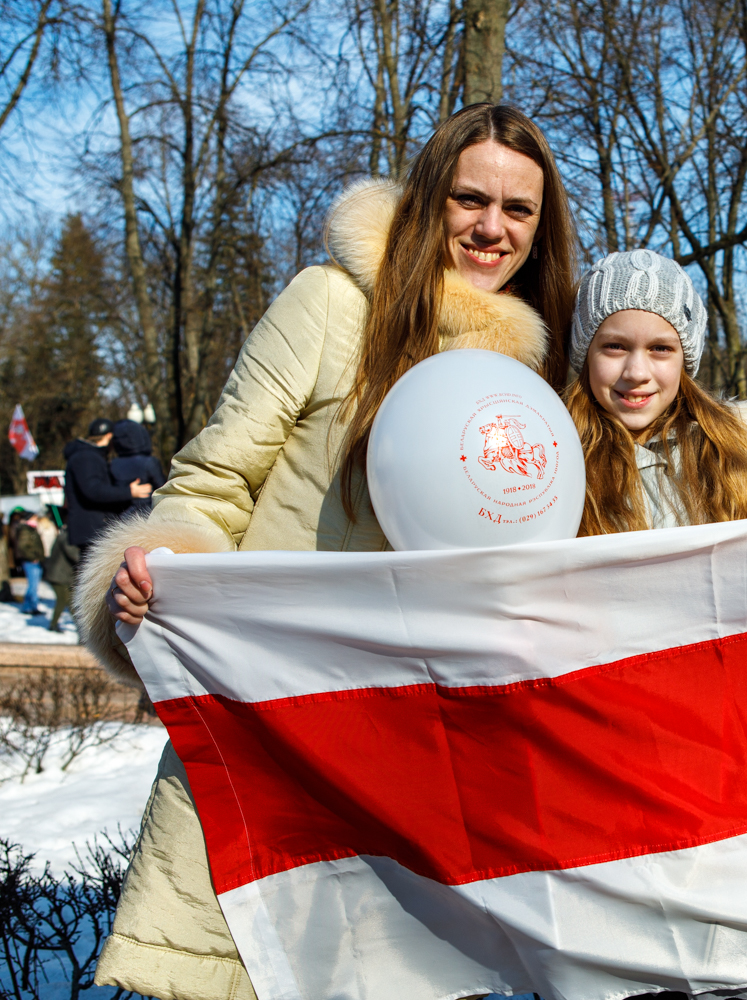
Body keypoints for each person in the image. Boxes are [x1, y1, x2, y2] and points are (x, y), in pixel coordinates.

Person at [79, 103, 580, 1000]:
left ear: (543, 230)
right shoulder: (332, 303)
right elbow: (215, 479)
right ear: (432, 197)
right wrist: (163, 571)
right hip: (282, 727)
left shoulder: (532, 383)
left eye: (519, 210)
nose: (492, 228)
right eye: (471, 198)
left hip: (427, 767)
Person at [566, 249, 747, 533]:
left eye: (660, 349)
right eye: (615, 346)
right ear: (586, 354)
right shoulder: (554, 456)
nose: (637, 373)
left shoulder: (737, 452)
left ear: (684, 360)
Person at [63, 417, 152, 558]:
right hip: (92, 529)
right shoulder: (86, 457)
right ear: (110, 436)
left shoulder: (89, 455)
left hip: (93, 529)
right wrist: (129, 492)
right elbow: (93, 490)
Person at [109, 419, 166, 515]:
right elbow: (163, 489)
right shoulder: (149, 462)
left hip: (122, 516)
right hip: (148, 513)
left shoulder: (113, 464)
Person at [44, 521, 78, 632]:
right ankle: (53, 625)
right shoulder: (66, 537)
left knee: (68, 601)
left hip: (61, 574)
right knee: (63, 600)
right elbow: (74, 555)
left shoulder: (65, 535)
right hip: (58, 575)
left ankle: (80, 629)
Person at [11, 509, 45, 615]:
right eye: (34, 517)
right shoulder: (25, 530)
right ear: (29, 518)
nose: (36, 519)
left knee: (34, 585)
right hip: (30, 561)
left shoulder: (31, 529)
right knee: (33, 585)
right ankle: (30, 607)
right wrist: (32, 558)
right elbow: (22, 547)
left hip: (35, 560)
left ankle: (30, 606)